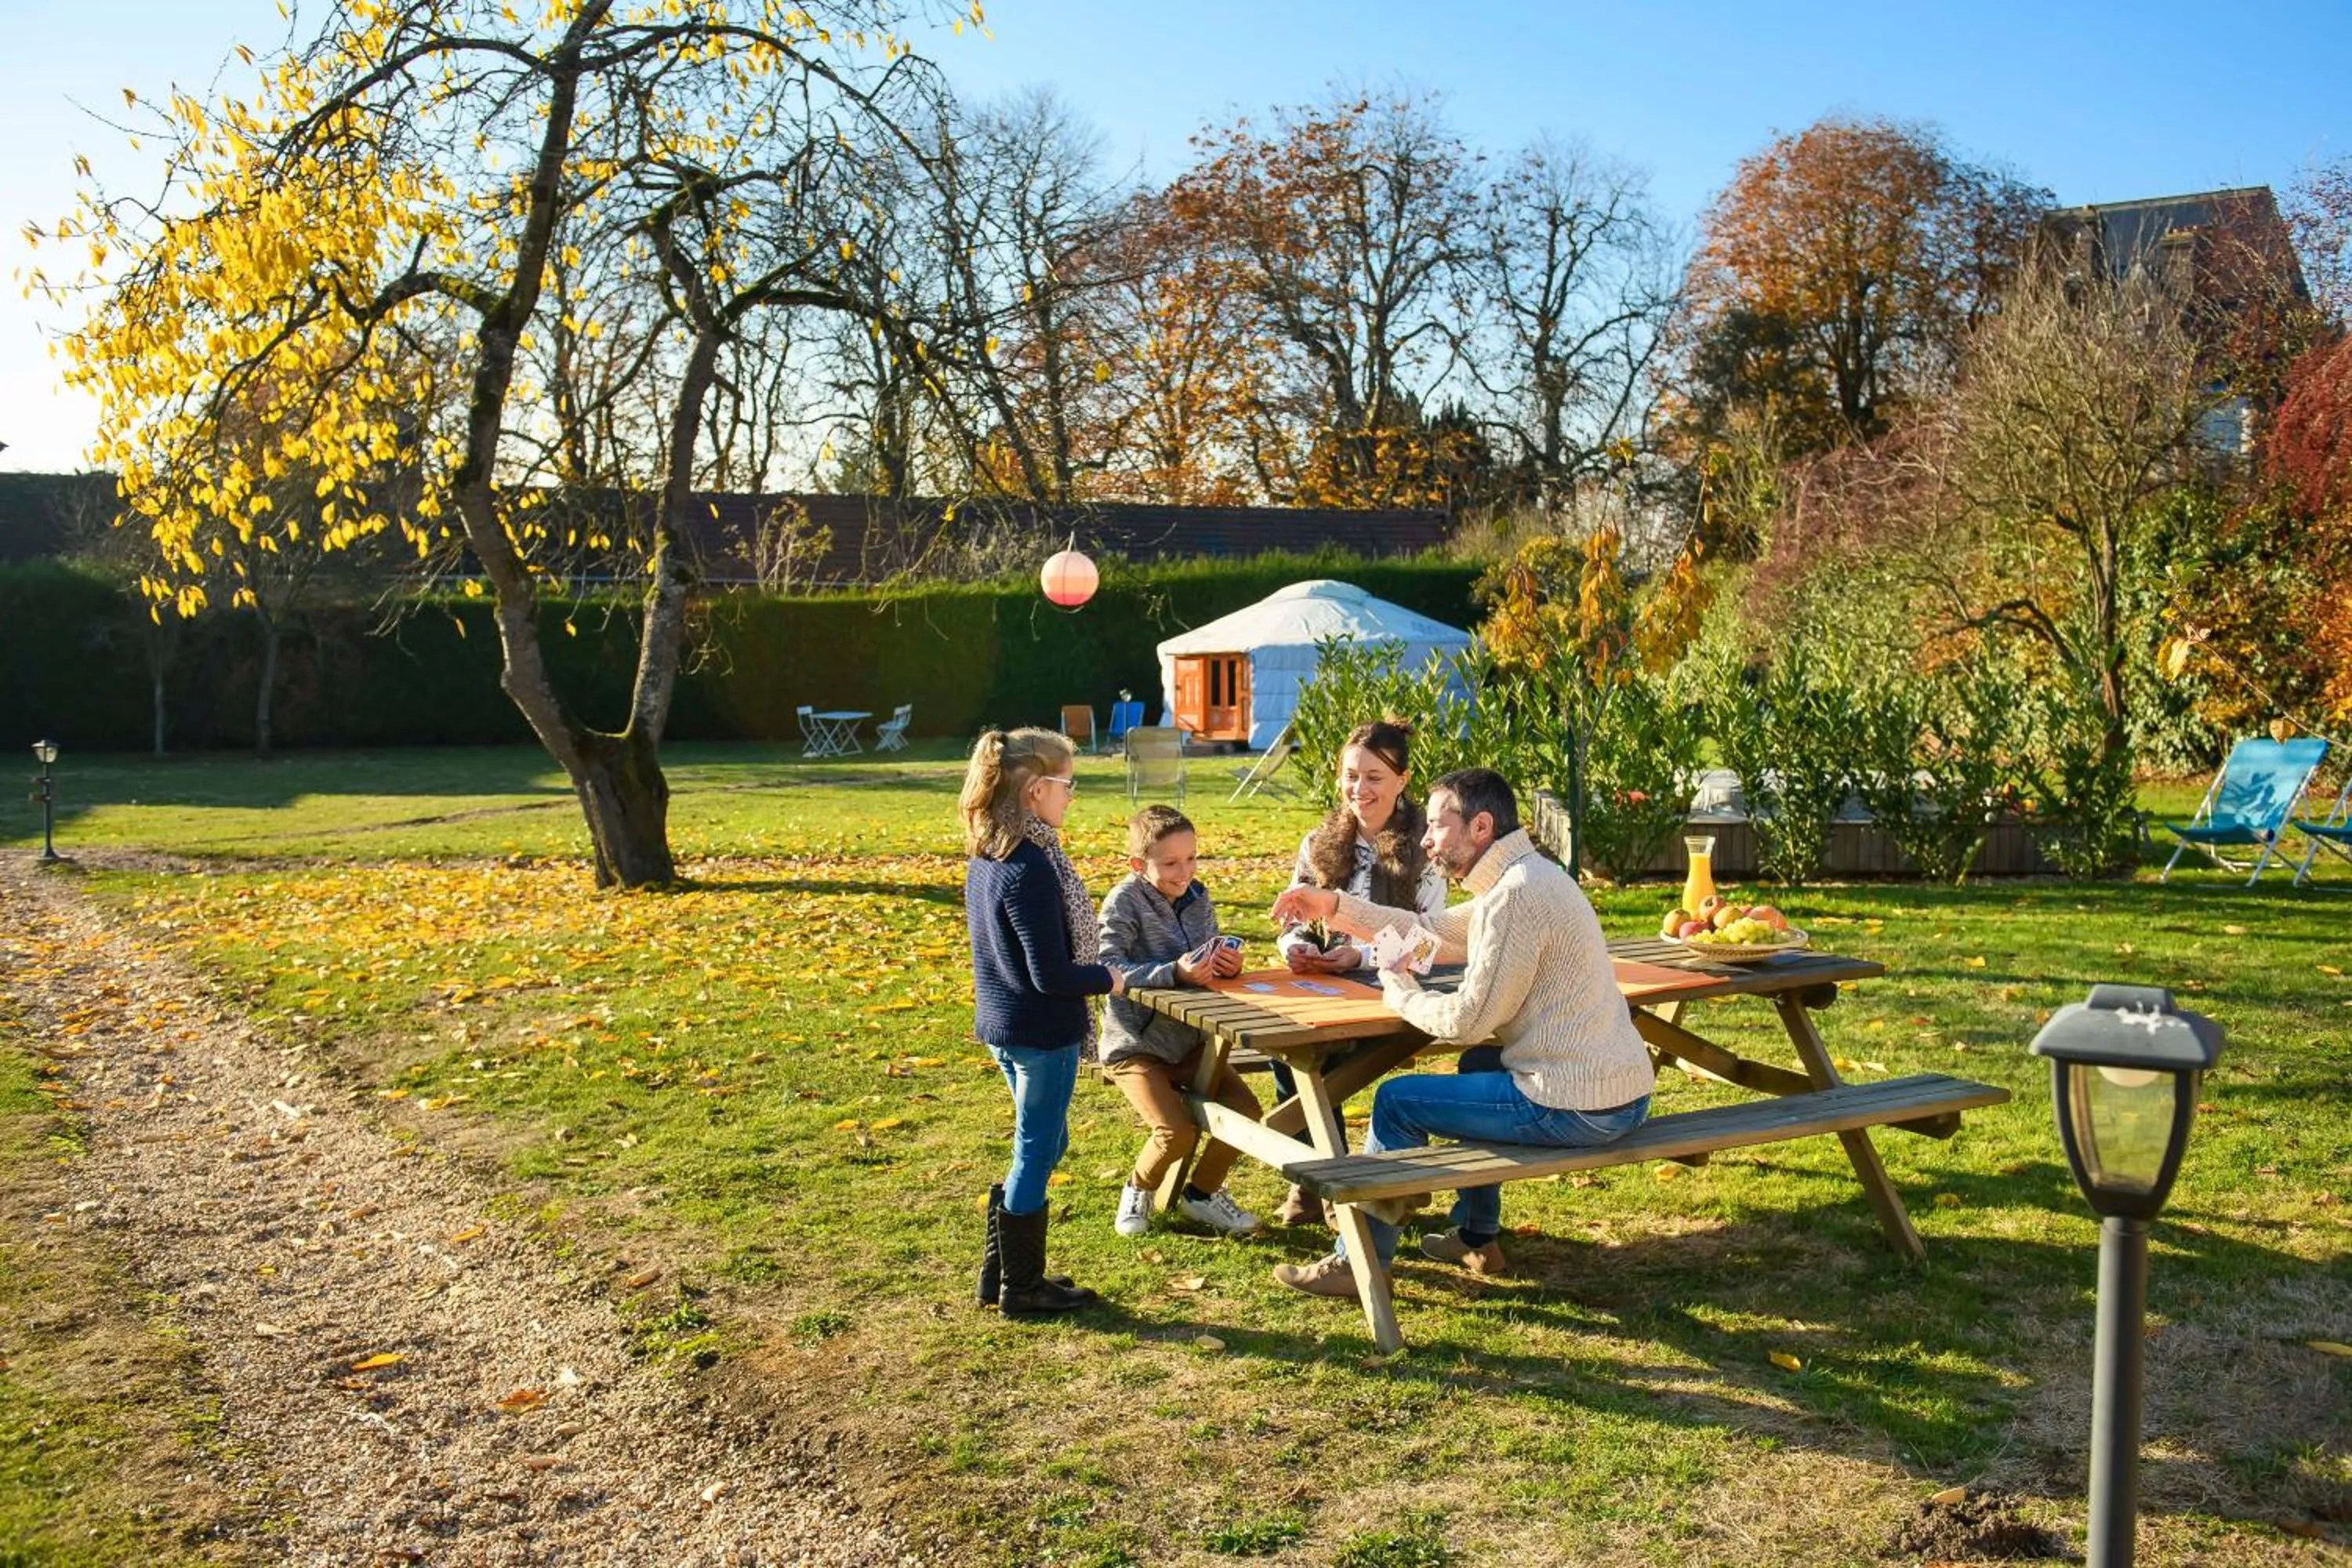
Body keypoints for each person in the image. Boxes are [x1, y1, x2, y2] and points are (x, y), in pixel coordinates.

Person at [1265, 768, 1653, 1296]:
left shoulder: (1518, 895)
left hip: (1575, 1105)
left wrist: (1398, 989)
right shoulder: (1526, 878)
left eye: (1436, 825)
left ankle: (1359, 1263)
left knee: (1398, 1101)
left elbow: (1469, 1021)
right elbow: (1433, 936)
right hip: (1622, 1094)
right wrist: (1331, 905)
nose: (1425, 839)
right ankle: (1476, 1236)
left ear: (1481, 826)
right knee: (1479, 1068)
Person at [1266, 718, 1451, 1226]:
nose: (1359, 789)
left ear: (1402, 780)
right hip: (1326, 984)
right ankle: (1317, 1180)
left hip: (1399, 990)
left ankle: (1328, 1185)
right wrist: (1298, 947)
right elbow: (1292, 917)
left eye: (1374, 777)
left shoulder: (1427, 849)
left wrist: (1360, 957)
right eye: (1351, 776)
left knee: (1313, 1063)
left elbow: (1429, 943)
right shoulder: (1320, 841)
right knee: (1289, 1051)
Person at [962, 726, 1120, 1318]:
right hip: (1039, 1031)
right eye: (1068, 784)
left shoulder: (989, 855)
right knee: (1036, 1150)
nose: (1072, 796)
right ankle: (1022, 1289)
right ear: (1035, 791)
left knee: (1047, 1142)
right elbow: (1051, 975)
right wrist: (1111, 979)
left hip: (1004, 1026)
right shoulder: (1029, 868)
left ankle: (999, 1271)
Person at [1096, 805, 1265, 1239]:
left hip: (1191, 1041)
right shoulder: (1124, 901)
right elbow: (1106, 968)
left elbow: (1205, 957)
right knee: (1176, 1132)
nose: (1184, 870)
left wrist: (1227, 965)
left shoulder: (1198, 896)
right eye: (1170, 862)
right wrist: (1175, 972)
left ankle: (1202, 1195)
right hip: (1135, 1045)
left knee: (1247, 1114)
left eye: (1191, 858)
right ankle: (1138, 1188)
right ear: (1139, 865)